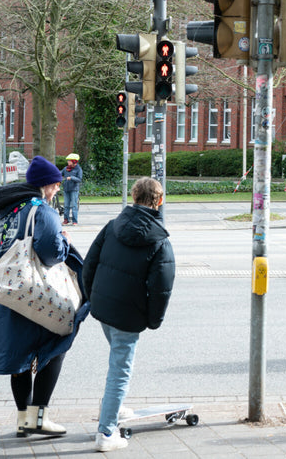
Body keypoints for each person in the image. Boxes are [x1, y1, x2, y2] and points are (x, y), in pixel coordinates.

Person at [0, 155, 88, 438]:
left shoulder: (11, 211)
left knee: (20, 356)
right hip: (37, 293)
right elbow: (51, 253)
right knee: (55, 347)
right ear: (46, 185)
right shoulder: (43, 211)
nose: (57, 189)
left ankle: (23, 419)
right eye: (55, 184)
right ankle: (39, 417)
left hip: (12, 294)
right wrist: (65, 241)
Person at [83, 176, 175, 452]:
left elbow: (89, 265)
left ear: (134, 197)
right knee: (120, 370)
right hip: (129, 314)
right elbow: (161, 288)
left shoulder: (112, 227)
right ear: (159, 201)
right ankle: (106, 432)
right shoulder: (159, 240)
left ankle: (115, 406)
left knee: (117, 360)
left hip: (104, 308)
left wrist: (92, 298)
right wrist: (153, 321)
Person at [61, 154, 83, 226]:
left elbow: (79, 179)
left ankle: (74, 221)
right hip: (66, 189)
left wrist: (72, 178)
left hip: (74, 190)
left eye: (69, 161)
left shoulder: (78, 169)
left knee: (74, 205)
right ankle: (66, 220)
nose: (68, 162)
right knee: (66, 205)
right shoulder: (65, 168)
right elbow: (60, 173)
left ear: (74, 162)